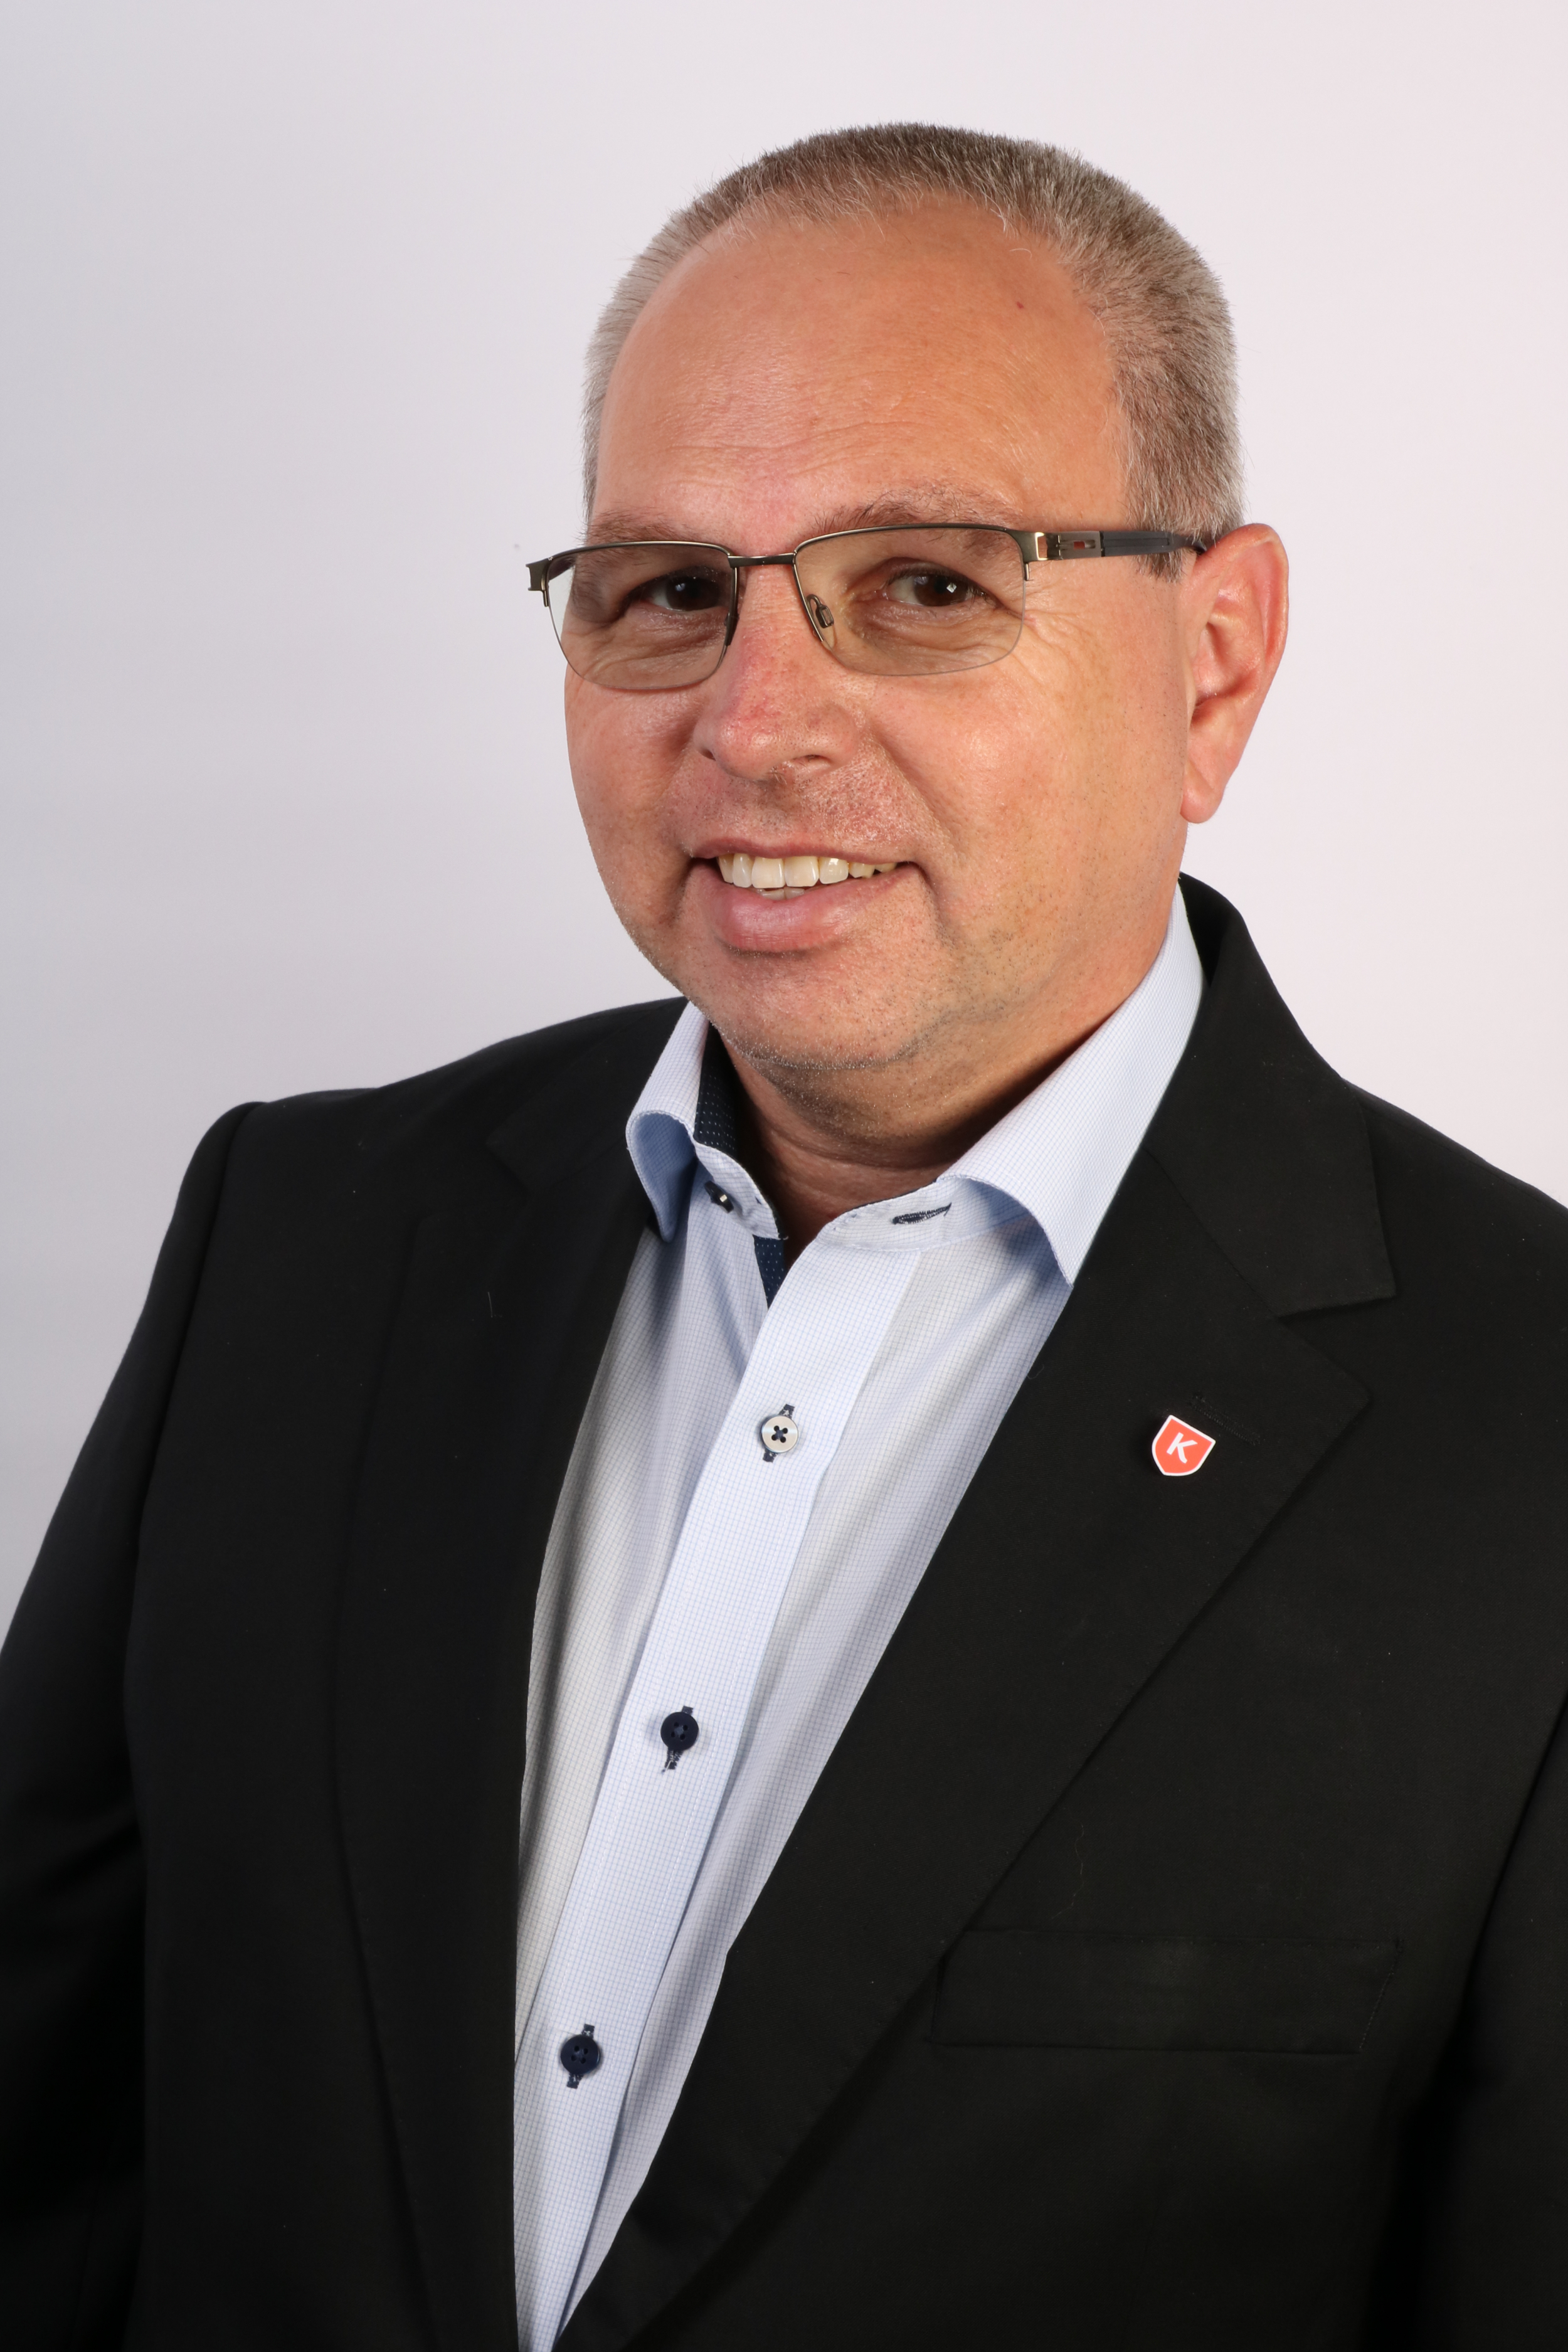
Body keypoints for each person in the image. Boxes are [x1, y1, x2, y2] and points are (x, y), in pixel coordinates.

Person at [3, 120, 1567, 2352]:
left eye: (924, 584)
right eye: (665, 592)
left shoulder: (1523, 1432)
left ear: (1213, 664)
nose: (752, 722)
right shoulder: (298, 1240)